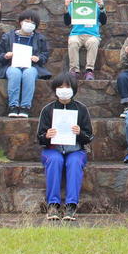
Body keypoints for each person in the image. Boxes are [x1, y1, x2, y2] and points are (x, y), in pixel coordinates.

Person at [36, 72, 94, 221]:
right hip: (52, 150)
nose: (63, 90)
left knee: (74, 162)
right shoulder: (48, 110)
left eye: (67, 86)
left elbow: (89, 137)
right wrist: (47, 136)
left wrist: (80, 133)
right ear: (55, 89)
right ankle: (53, 204)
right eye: (60, 87)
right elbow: (40, 138)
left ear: (73, 89)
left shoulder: (81, 109)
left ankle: (71, 206)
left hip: (75, 150)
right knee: (56, 161)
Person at [0, 10, 51, 118]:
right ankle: (13, 106)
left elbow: (45, 55)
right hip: (11, 65)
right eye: (27, 21)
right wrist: (6, 56)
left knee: (29, 74)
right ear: (20, 22)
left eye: (33, 23)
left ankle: (25, 106)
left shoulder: (40, 38)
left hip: (31, 66)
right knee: (15, 73)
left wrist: (38, 58)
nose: (29, 24)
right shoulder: (8, 36)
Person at [63, 0, 107, 81]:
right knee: (72, 42)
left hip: (92, 34)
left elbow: (103, 21)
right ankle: (74, 71)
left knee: (93, 43)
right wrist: (66, 9)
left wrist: (101, 7)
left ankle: (89, 71)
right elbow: (67, 22)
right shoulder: (74, 1)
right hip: (76, 33)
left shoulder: (97, 1)